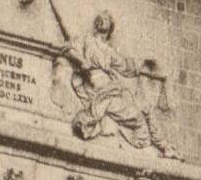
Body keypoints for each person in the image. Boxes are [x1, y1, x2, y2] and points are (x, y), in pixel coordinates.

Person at [52, 10, 178, 157]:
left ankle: (163, 146)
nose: (104, 20)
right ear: (97, 23)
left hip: (112, 88)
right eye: (102, 18)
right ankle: (158, 145)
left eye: (107, 19)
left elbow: (126, 66)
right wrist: (82, 61)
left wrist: (144, 63)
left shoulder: (109, 52)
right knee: (138, 117)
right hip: (98, 89)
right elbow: (69, 48)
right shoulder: (87, 40)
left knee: (144, 110)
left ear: (110, 27)